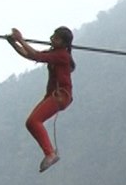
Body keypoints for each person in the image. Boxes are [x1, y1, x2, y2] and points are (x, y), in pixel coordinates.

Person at [6, 27, 75, 173]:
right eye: (53, 36)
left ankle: (50, 153)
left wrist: (20, 39)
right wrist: (14, 44)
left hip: (60, 96)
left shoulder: (62, 55)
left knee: (33, 121)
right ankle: (49, 152)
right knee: (30, 123)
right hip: (53, 96)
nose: (52, 39)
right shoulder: (55, 53)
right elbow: (30, 55)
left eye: (56, 38)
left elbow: (36, 55)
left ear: (63, 43)